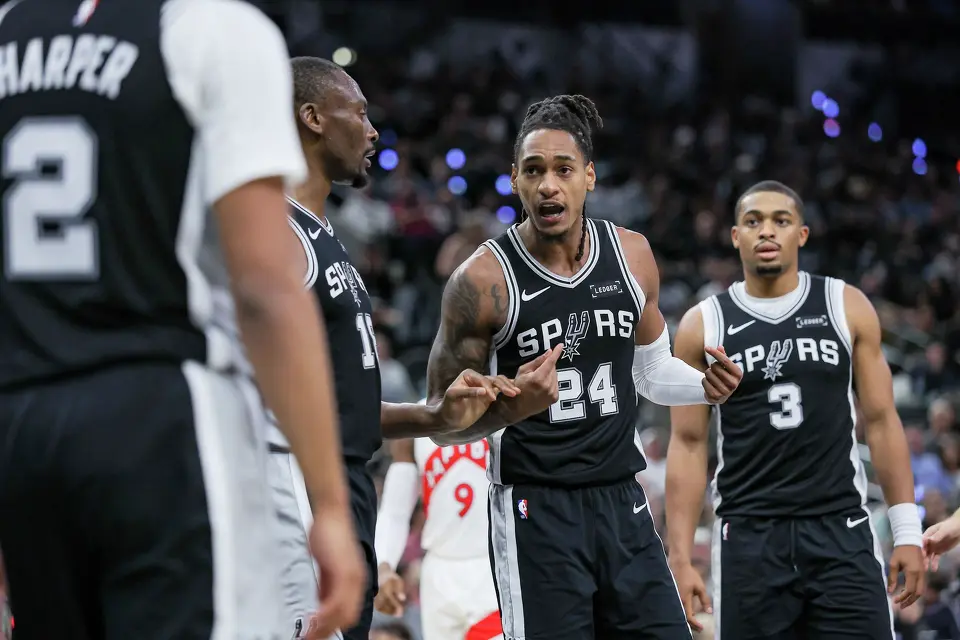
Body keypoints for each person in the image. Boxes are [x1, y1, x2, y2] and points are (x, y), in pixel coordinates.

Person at [0, 2, 365, 639]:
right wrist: (331, 508)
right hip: (160, 417)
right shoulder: (213, 29)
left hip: (22, 419)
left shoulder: (8, 31)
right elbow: (263, 288)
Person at [425, 94, 741, 639]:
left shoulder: (632, 255)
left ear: (588, 177)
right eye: (533, 170)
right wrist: (513, 408)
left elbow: (650, 372)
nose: (548, 184)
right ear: (516, 182)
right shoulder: (481, 283)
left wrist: (703, 387)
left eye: (563, 169)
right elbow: (439, 422)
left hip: (623, 499)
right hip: (534, 507)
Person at [269, 57, 517, 640]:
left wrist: (433, 415)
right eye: (357, 112)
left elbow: (340, 407)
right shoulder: (274, 231)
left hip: (340, 482)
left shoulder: (319, 233)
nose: (373, 130)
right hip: (296, 492)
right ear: (312, 118)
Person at [666, 180, 925, 638]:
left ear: (801, 234)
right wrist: (681, 556)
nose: (767, 231)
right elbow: (688, 445)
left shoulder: (845, 304)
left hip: (840, 529)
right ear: (735, 236)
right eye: (753, 221)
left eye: (780, 221)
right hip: (747, 536)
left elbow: (883, 423)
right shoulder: (702, 323)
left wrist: (906, 529)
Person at [374, 408, 503, 640]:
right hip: (439, 572)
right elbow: (395, 511)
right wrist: (384, 565)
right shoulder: (414, 418)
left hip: (493, 563)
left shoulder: (504, 407)